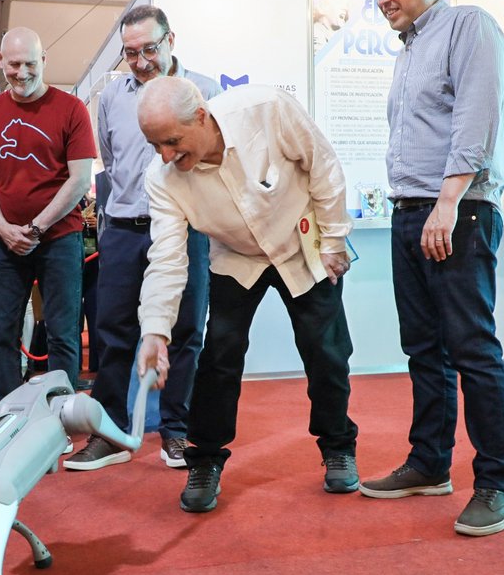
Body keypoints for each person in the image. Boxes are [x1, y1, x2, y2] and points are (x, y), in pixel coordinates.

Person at [359, 0, 504, 537]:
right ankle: (430, 463)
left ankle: (497, 484)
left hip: (459, 210)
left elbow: (475, 119)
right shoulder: (408, 50)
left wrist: (447, 202)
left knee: (473, 349)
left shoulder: (468, 26)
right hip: (411, 212)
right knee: (423, 349)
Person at [135, 77, 358, 514]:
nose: (165, 155)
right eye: (154, 145)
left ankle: (337, 447)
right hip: (237, 258)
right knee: (219, 357)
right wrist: (156, 332)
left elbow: (323, 165)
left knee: (327, 353)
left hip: (302, 245)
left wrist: (334, 239)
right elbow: (166, 259)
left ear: (200, 116)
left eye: (172, 141)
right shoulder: (162, 180)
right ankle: (205, 459)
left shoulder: (268, 108)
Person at [64, 5, 220, 472]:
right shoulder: (112, 98)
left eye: (149, 48)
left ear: (172, 39)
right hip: (125, 229)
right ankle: (110, 433)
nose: (140, 60)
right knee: (112, 331)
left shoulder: (206, 92)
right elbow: (111, 162)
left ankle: (176, 431)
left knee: (187, 331)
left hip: (187, 230)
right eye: (130, 53)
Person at [0, 27, 96, 400]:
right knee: (3, 332)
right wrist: (1, 226)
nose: (22, 72)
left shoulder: (71, 108)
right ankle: (8, 413)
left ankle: (58, 415)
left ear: (44, 61)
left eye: (30, 63)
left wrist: (36, 228)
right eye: (13, 64)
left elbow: (79, 179)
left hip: (59, 238)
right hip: (5, 240)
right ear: (0, 61)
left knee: (62, 332)